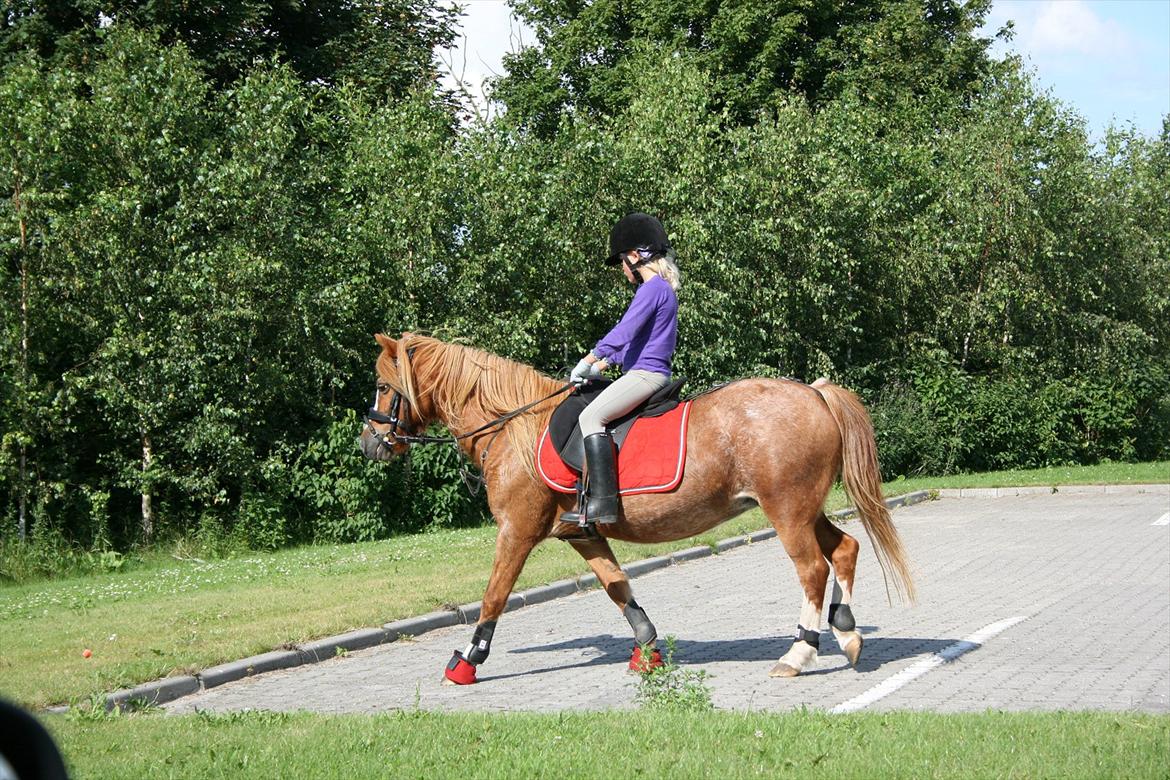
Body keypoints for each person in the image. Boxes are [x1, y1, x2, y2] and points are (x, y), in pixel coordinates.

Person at [562, 212, 681, 526]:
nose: (623, 272)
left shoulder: (652, 288)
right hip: (642, 370)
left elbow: (623, 331)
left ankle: (601, 503)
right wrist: (602, 365)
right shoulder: (660, 289)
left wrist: (588, 359)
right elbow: (634, 341)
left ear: (634, 256)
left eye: (622, 264)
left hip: (646, 374)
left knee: (590, 417)